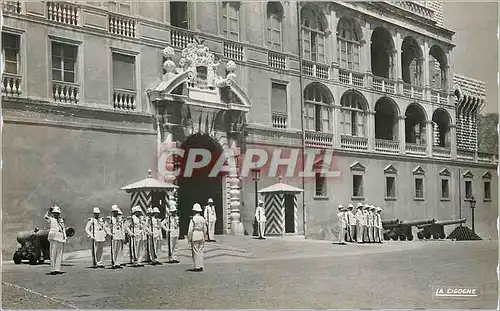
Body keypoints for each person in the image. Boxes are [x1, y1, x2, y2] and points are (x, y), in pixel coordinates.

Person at [44, 205, 67, 275]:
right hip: (53, 237)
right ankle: (52, 269)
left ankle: (57, 269)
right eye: (55, 213)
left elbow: (63, 229)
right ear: (53, 213)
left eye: (58, 213)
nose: (56, 214)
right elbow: (45, 217)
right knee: (53, 253)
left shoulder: (61, 220)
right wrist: (49, 211)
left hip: (60, 237)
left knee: (59, 254)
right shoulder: (51, 219)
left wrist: (65, 236)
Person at [188, 203, 207, 272]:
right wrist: (204, 236)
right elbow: (205, 229)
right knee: (201, 251)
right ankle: (201, 265)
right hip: (201, 234)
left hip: (195, 234)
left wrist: (189, 238)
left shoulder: (193, 219)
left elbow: (190, 230)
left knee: (195, 251)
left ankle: (197, 266)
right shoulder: (203, 219)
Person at [107, 205, 125, 269]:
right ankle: (114, 263)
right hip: (114, 235)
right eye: (114, 211)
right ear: (112, 212)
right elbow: (106, 226)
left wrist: (123, 235)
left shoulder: (120, 219)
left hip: (119, 235)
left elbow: (122, 227)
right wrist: (110, 233)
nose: (115, 213)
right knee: (114, 250)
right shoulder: (111, 219)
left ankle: (118, 263)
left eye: (116, 211)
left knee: (119, 250)